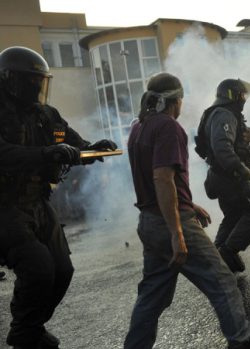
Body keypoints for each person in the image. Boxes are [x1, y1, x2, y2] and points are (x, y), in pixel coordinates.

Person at [125, 73, 250, 349]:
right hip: (169, 223)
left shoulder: (139, 126)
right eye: (182, 99)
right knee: (222, 281)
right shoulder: (168, 127)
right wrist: (176, 232)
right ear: (176, 100)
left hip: (148, 221)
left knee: (152, 296)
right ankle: (242, 341)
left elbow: (155, 179)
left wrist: (188, 204)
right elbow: (162, 178)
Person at [0, 46, 117, 349]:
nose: (38, 87)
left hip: (39, 202)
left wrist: (93, 148)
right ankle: (25, 330)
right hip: (5, 205)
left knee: (62, 270)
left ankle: (31, 327)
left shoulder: (45, 114)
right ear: (11, 79)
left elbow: (68, 140)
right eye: (31, 81)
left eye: (41, 81)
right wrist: (47, 153)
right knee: (38, 268)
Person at [195, 79, 250, 273]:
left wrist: (248, 169)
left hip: (222, 176)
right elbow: (222, 148)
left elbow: (228, 150)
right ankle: (228, 251)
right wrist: (240, 168)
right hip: (231, 179)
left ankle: (216, 258)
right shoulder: (224, 115)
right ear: (232, 95)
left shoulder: (218, 114)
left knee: (234, 215)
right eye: (242, 95)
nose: (244, 99)